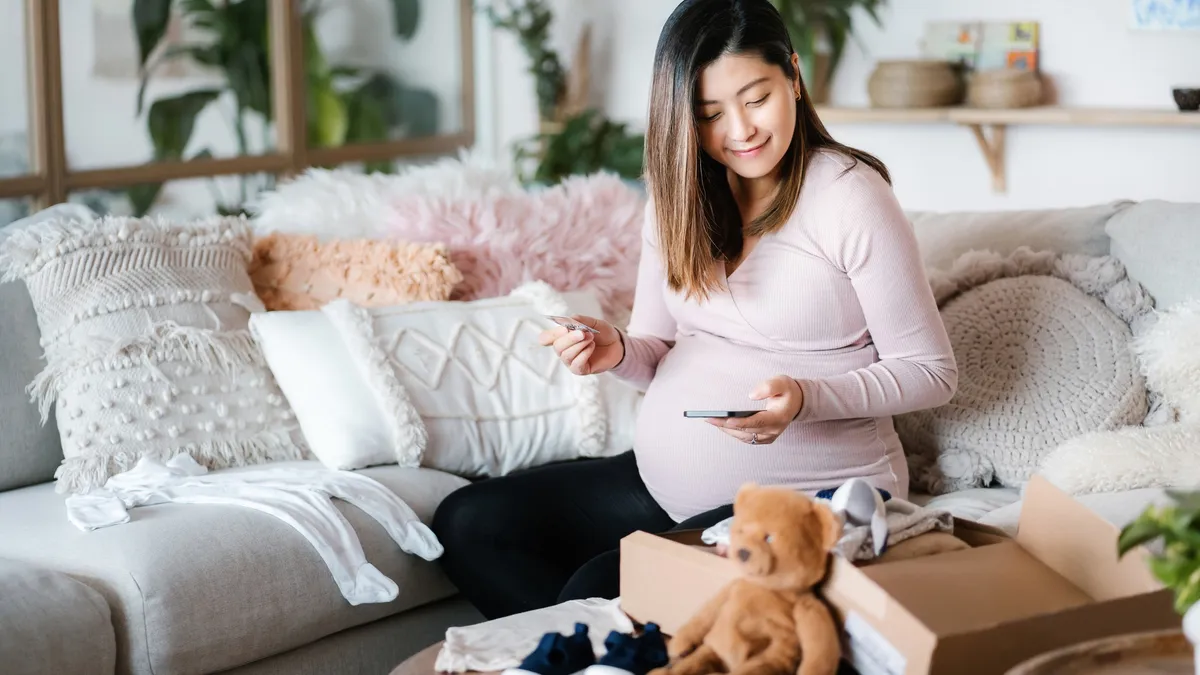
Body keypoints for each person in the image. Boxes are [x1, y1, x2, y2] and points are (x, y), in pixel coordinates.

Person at [431, 0, 957, 621]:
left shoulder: (850, 196)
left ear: (793, 73)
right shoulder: (678, 196)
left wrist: (807, 399)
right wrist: (617, 351)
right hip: (664, 489)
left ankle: (603, 645)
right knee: (468, 522)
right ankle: (609, 650)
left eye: (756, 98)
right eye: (710, 115)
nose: (741, 131)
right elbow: (656, 348)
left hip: (807, 498)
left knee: (596, 592)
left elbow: (931, 371)